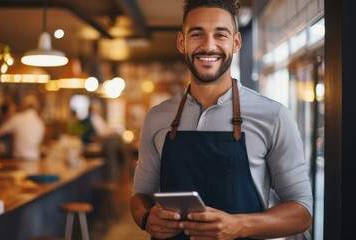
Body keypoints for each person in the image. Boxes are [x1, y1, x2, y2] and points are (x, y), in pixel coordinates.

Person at [129, 0, 313, 239]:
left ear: (236, 42)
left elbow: (302, 211)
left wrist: (240, 225)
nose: (208, 46)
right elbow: (140, 195)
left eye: (220, 35)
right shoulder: (156, 118)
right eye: (197, 34)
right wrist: (146, 217)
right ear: (181, 42)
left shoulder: (274, 116)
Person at [0, 94, 45, 161]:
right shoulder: (40, 123)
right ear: (37, 107)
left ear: (24, 105)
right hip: (34, 157)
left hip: (19, 157)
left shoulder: (18, 119)